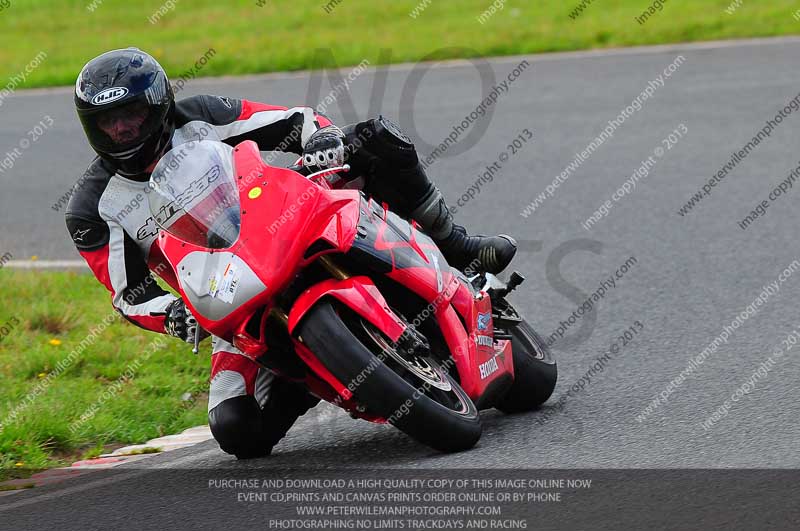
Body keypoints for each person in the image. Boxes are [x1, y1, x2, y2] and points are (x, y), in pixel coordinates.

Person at [66, 48, 517, 459]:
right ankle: (307, 371)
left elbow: (295, 122)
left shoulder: (201, 115)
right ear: (92, 128)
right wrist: (170, 314)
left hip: (284, 222)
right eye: (109, 121)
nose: (123, 128)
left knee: (375, 138)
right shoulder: (92, 208)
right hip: (228, 294)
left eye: (132, 113)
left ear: (158, 105)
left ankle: (457, 246)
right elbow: (129, 293)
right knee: (236, 429)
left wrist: (322, 139)